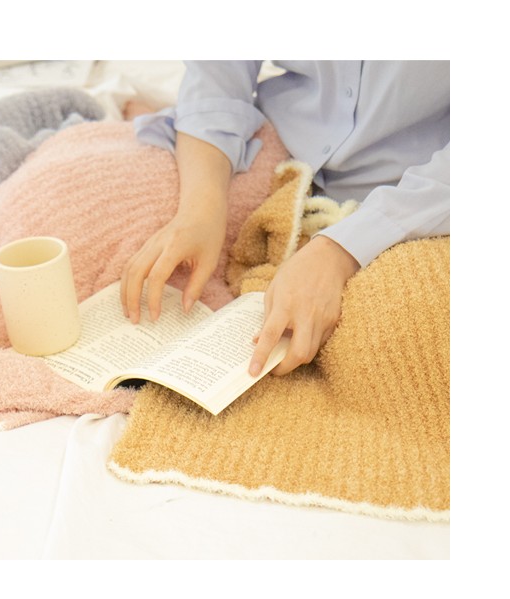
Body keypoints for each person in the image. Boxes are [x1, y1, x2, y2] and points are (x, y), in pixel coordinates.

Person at [120, 61, 450, 378]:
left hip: (420, 197)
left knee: (400, 342)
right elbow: (217, 78)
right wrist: (198, 210)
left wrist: (340, 251)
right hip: (274, 149)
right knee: (127, 225)